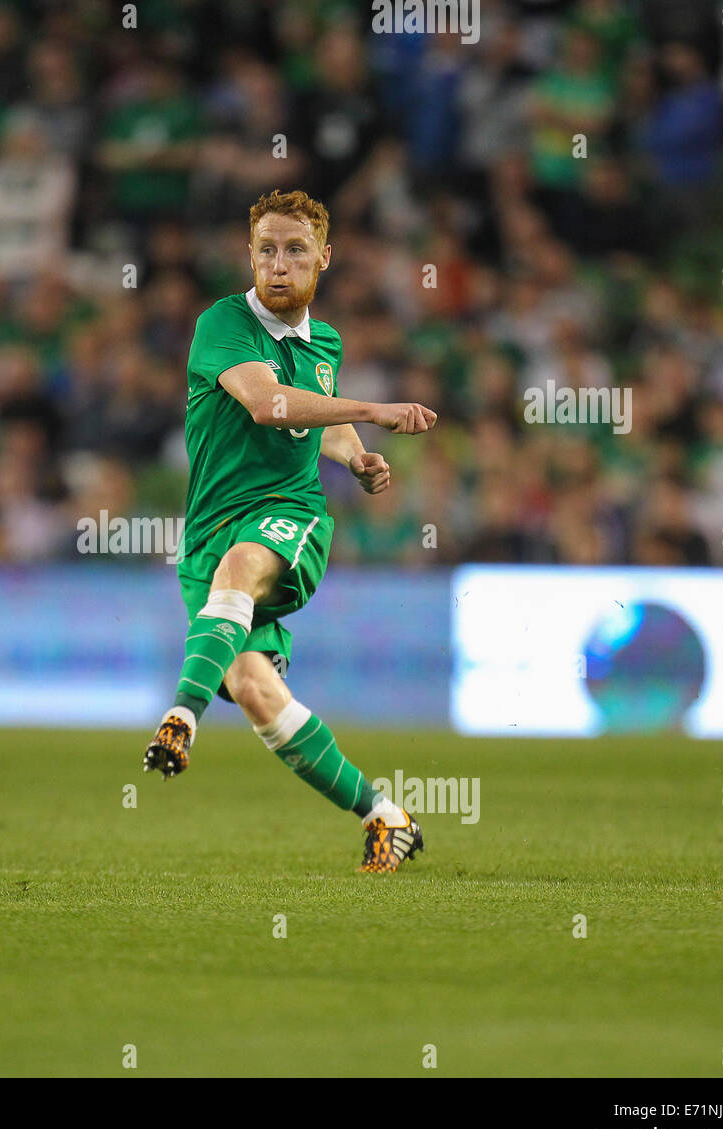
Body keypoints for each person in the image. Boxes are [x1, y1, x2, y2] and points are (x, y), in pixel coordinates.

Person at [142, 189, 436, 873]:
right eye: (266, 250)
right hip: (208, 533)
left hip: (289, 515)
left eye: (295, 250)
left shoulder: (323, 341)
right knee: (253, 688)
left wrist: (351, 454)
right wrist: (369, 416)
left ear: (323, 258)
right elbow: (271, 403)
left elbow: (315, 416)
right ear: (250, 257)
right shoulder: (223, 324)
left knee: (242, 567)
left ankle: (180, 719)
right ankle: (385, 816)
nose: (279, 264)